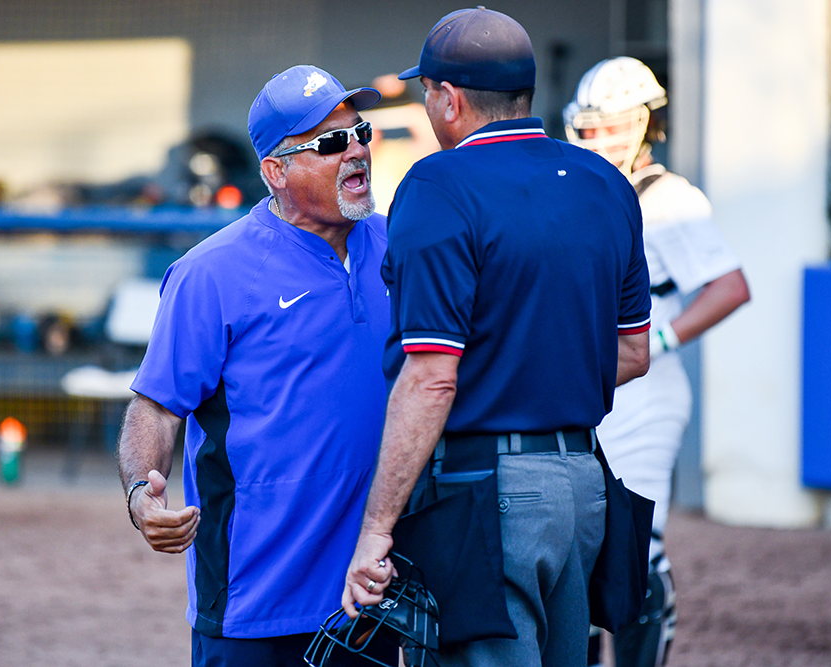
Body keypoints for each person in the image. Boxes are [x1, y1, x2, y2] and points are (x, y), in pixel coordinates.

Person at [342, 8, 653, 667]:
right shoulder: (607, 182)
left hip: (489, 492)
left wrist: (375, 529)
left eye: (426, 91)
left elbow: (431, 376)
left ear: (448, 98)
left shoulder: (438, 183)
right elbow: (633, 352)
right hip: (583, 485)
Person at [117, 65, 395, 667]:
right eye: (329, 142)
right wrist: (142, 491)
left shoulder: (398, 248)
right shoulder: (212, 272)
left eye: (359, 132)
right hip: (254, 601)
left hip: (371, 595)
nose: (355, 151)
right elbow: (157, 406)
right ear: (275, 171)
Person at [563, 56, 751, 667]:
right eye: (588, 126)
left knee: (635, 548)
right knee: (581, 549)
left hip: (645, 388)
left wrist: (662, 341)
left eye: (612, 124)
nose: (597, 138)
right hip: (593, 387)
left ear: (648, 122)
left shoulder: (669, 196)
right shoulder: (587, 187)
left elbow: (730, 285)